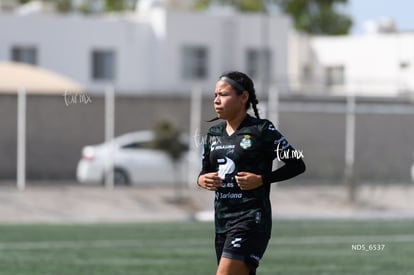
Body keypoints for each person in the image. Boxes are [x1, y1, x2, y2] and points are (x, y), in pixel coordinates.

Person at [197, 71, 306, 275]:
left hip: (251, 219)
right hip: (222, 221)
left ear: (243, 97)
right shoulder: (213, 134)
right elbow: (204, 172)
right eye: (215, 95)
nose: (216, 100)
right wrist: (202, 179)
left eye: (223, 95)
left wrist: (263, 179)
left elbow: (297, 163)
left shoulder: (261, 130)